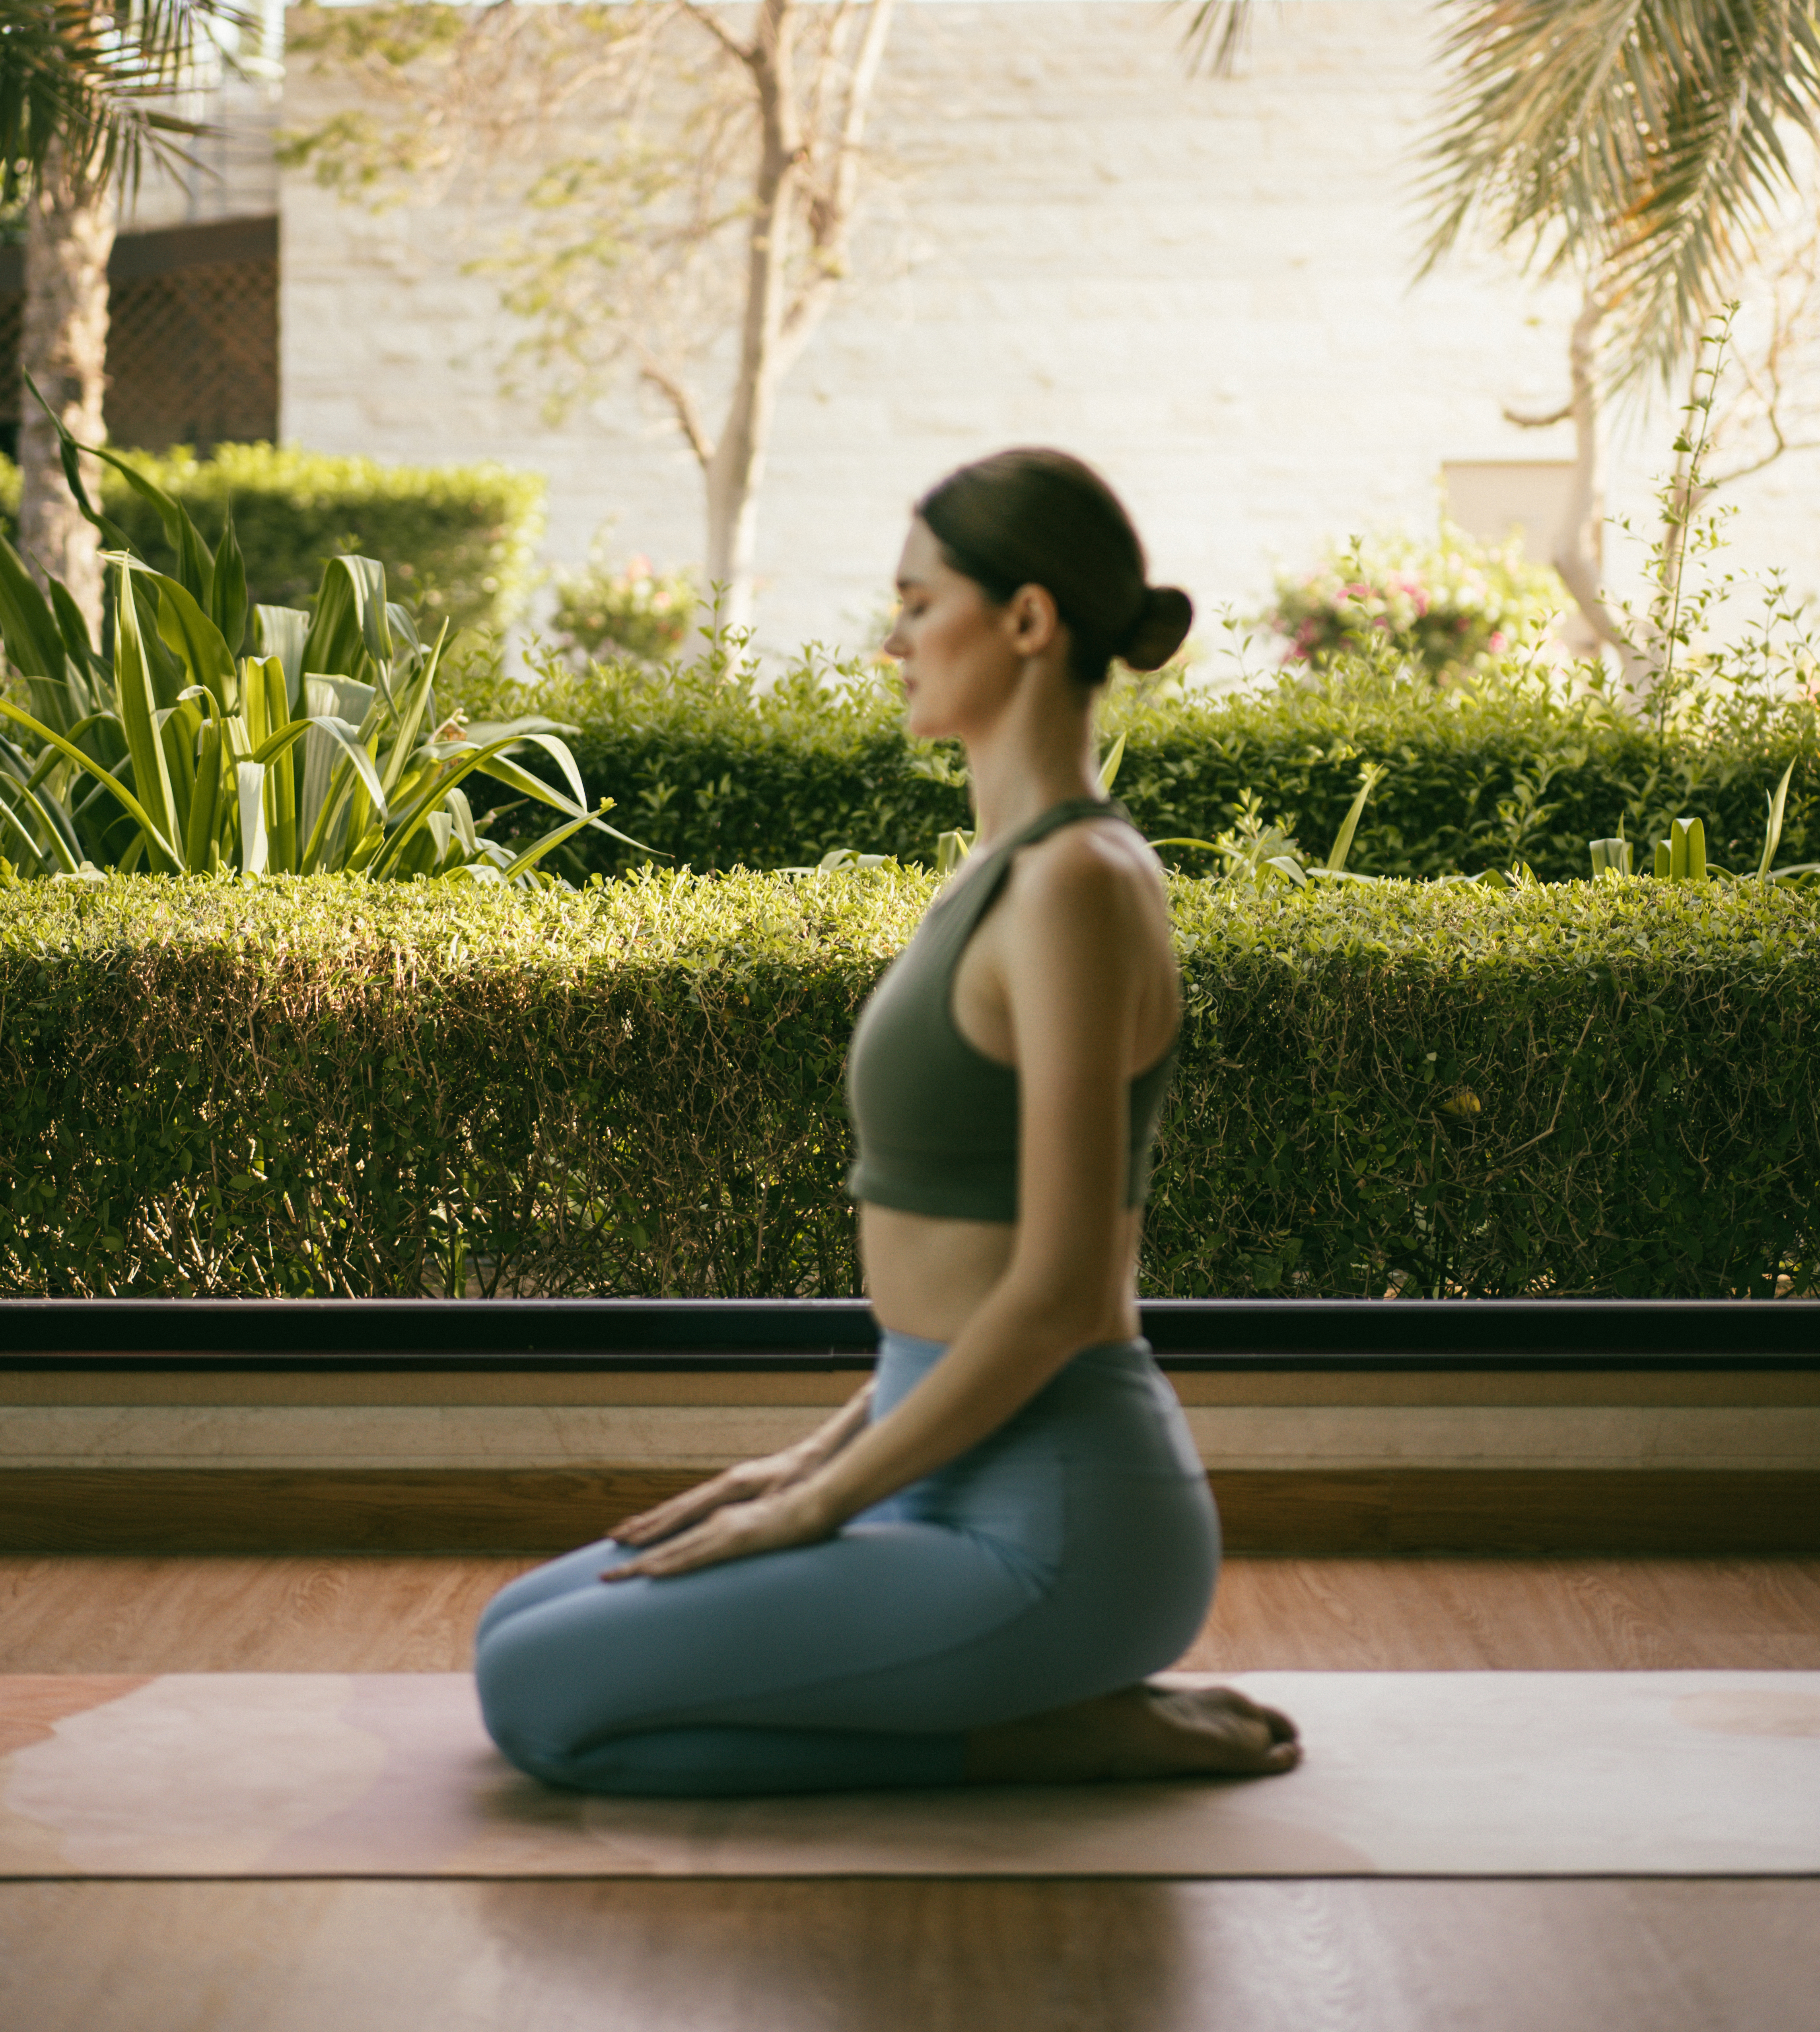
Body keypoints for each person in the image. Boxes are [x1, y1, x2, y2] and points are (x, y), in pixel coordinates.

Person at [475, 447, 1302, 1796]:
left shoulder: (1078, 884)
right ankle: (992, 1702)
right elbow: (960, 1309)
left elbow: (1057, 1293)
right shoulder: (1000, 870)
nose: (893, 641)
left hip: (1057, 1529)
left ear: (1028, 622)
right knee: (517, 1629)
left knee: (540, 1700)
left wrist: (819, 1508)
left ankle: (1050, 1726)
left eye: (920, 604)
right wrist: (796, 1461)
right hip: (930, 1463)